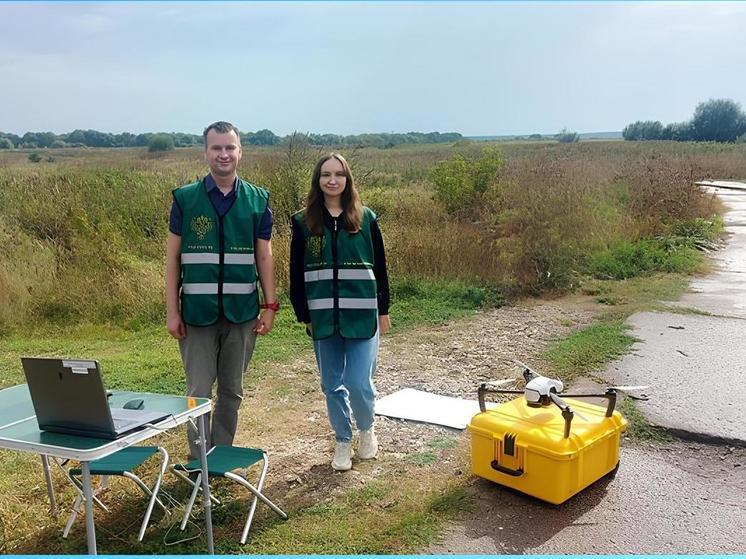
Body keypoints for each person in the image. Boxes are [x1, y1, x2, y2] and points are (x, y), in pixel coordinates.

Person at [166, 121, 278, 459]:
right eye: (217, 148)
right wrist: (172, 311)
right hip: (196, 316)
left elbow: (264, 255)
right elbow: (172, 259)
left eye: (230, 147)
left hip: (241, 313)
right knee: (198, 393)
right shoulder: (185, 199)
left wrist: (269, 306)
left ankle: (221, 457)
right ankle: (199, 459)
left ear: (240, 152)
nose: (224, 154)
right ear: (206, 153)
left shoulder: (258, 200)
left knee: (232, 391)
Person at [289, 153, 391, 471]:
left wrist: (383, 309)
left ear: (347, 179)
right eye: (325, 174)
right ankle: (343, 439)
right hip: (322, 318)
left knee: (359, 381)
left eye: (338, 174)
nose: (332, 180)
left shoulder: (366, 219)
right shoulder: (303, 223)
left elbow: (381, 268)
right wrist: (303, 313)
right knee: (331, 384)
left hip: (362, 315)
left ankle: (366, 428)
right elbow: (295, 272)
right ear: (317, 180)